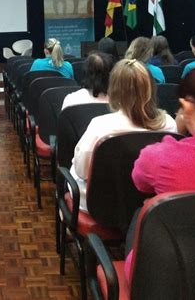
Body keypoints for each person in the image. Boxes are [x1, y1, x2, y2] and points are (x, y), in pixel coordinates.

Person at [124, 67, 195, 281]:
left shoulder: (161, 156)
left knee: (143, 210)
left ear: (185, 105)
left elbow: (139, 183)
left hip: (162, 280)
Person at [70, 59, 177, 212]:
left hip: (101, 207)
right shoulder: (170, 124)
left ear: (114, 90)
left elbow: (82, 170)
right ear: (150, 88)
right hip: (149, 207)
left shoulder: (100, 125)